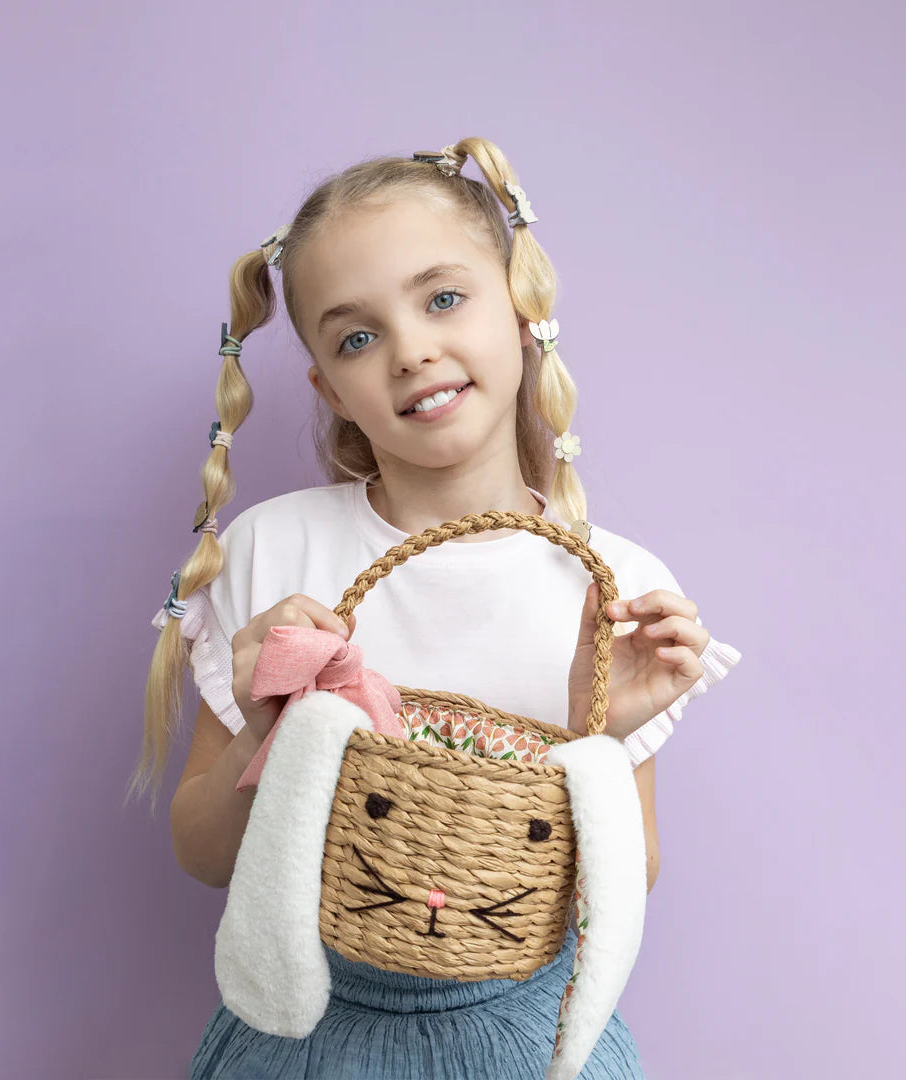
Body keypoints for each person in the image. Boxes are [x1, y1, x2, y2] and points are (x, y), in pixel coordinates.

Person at [127, 137, 742, 1079]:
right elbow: (205, 858)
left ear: (524, 310)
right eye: (357, 337)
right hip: (302, 1031)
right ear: (330, 388)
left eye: (443, 298)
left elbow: (623, 890)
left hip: (524, 1040)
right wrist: (261, 731)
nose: (411, 349)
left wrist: (597, 732)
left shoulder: (609, 586)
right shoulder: (276, 549)